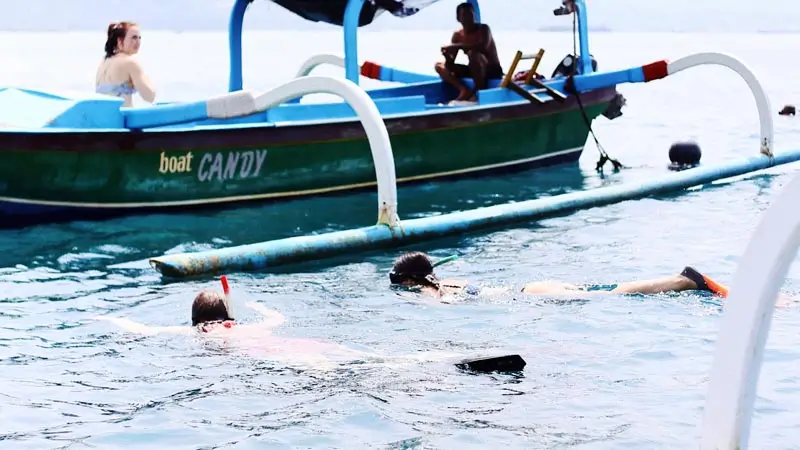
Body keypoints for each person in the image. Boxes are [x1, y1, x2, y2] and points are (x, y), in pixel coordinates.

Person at [94, 288, 461, 369]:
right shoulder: (237, 324)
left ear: (195, 320)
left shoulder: (201, 333)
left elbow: (141, 331)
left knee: (350, 371)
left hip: (275, 354)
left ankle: (420, 367)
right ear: (226, 312)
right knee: (366, 358)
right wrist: (259, 306)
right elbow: (277, 321)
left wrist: (107, 318)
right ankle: (434, 360)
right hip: (295, 341)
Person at [388, 251, 731, 299]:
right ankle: (680, 280)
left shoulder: (428, 292)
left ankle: (683, 280)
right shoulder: (451, 279)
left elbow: (442, 305)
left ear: (408, 280)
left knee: (613, 294)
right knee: (610, 291)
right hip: (530, 289)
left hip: (531, 297)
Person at [434, 2, 503, 103]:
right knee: (439, 66)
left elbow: (482, 47)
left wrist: (456, 46)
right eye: (465, 15)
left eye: (470, 14)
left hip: (492, 70)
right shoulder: (457, 35)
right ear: (458, 18)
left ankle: (479, 91)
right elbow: (450, 62)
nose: (468, 18)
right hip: (474, 70)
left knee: (474, 54)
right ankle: (463, 89)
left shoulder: (483, 29)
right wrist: (447, 54)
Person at [95, 21, 156, 107]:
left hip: (101, 117)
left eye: (139, 38)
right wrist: (144, 76)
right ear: (120, 40)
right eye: (134, 38)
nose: (138, 42)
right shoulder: (129, 62)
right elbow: (150, 96)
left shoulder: (104, 62)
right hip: (120, 118)